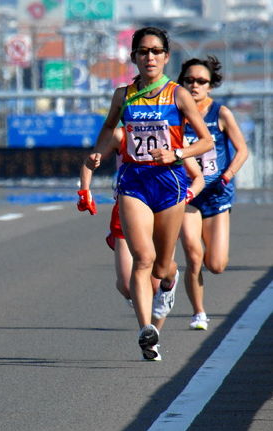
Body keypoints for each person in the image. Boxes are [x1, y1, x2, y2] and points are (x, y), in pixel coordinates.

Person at [77, 26, 214, 361]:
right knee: (143, 259)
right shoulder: (123, 95)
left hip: (169, 183)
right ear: (134, 57)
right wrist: (98, 151)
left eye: (156, 51)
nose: (149, 57)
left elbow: (206, 141)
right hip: (134, 181)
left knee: (162, 267)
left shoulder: (178, 95)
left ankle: (169, 282)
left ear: (166, 57)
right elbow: (110, 128)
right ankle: (146, 331)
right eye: (143, 51)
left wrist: (177, 154)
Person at [78, 128, 205, 334]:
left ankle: (168, 286)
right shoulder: (121, 135)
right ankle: (147, 330)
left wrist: (186, 196)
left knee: (158, 277)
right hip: (130, 205)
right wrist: (85, 190)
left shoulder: (174, 134)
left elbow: (198, 177)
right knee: (126, 286)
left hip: (163, 206)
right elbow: (90, 160)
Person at [177, 56, 249, 331]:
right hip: (188, 193)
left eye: (201, 81)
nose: (194, 85)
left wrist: (228, 174)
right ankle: (198, 312)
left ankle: (210, 260)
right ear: (182, 82)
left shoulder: (220, 113)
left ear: (210, 85)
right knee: (193, 254)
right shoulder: (175, 112)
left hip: (217, 193)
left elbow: (242, 149)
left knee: (216, 264)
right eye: (189, 80)